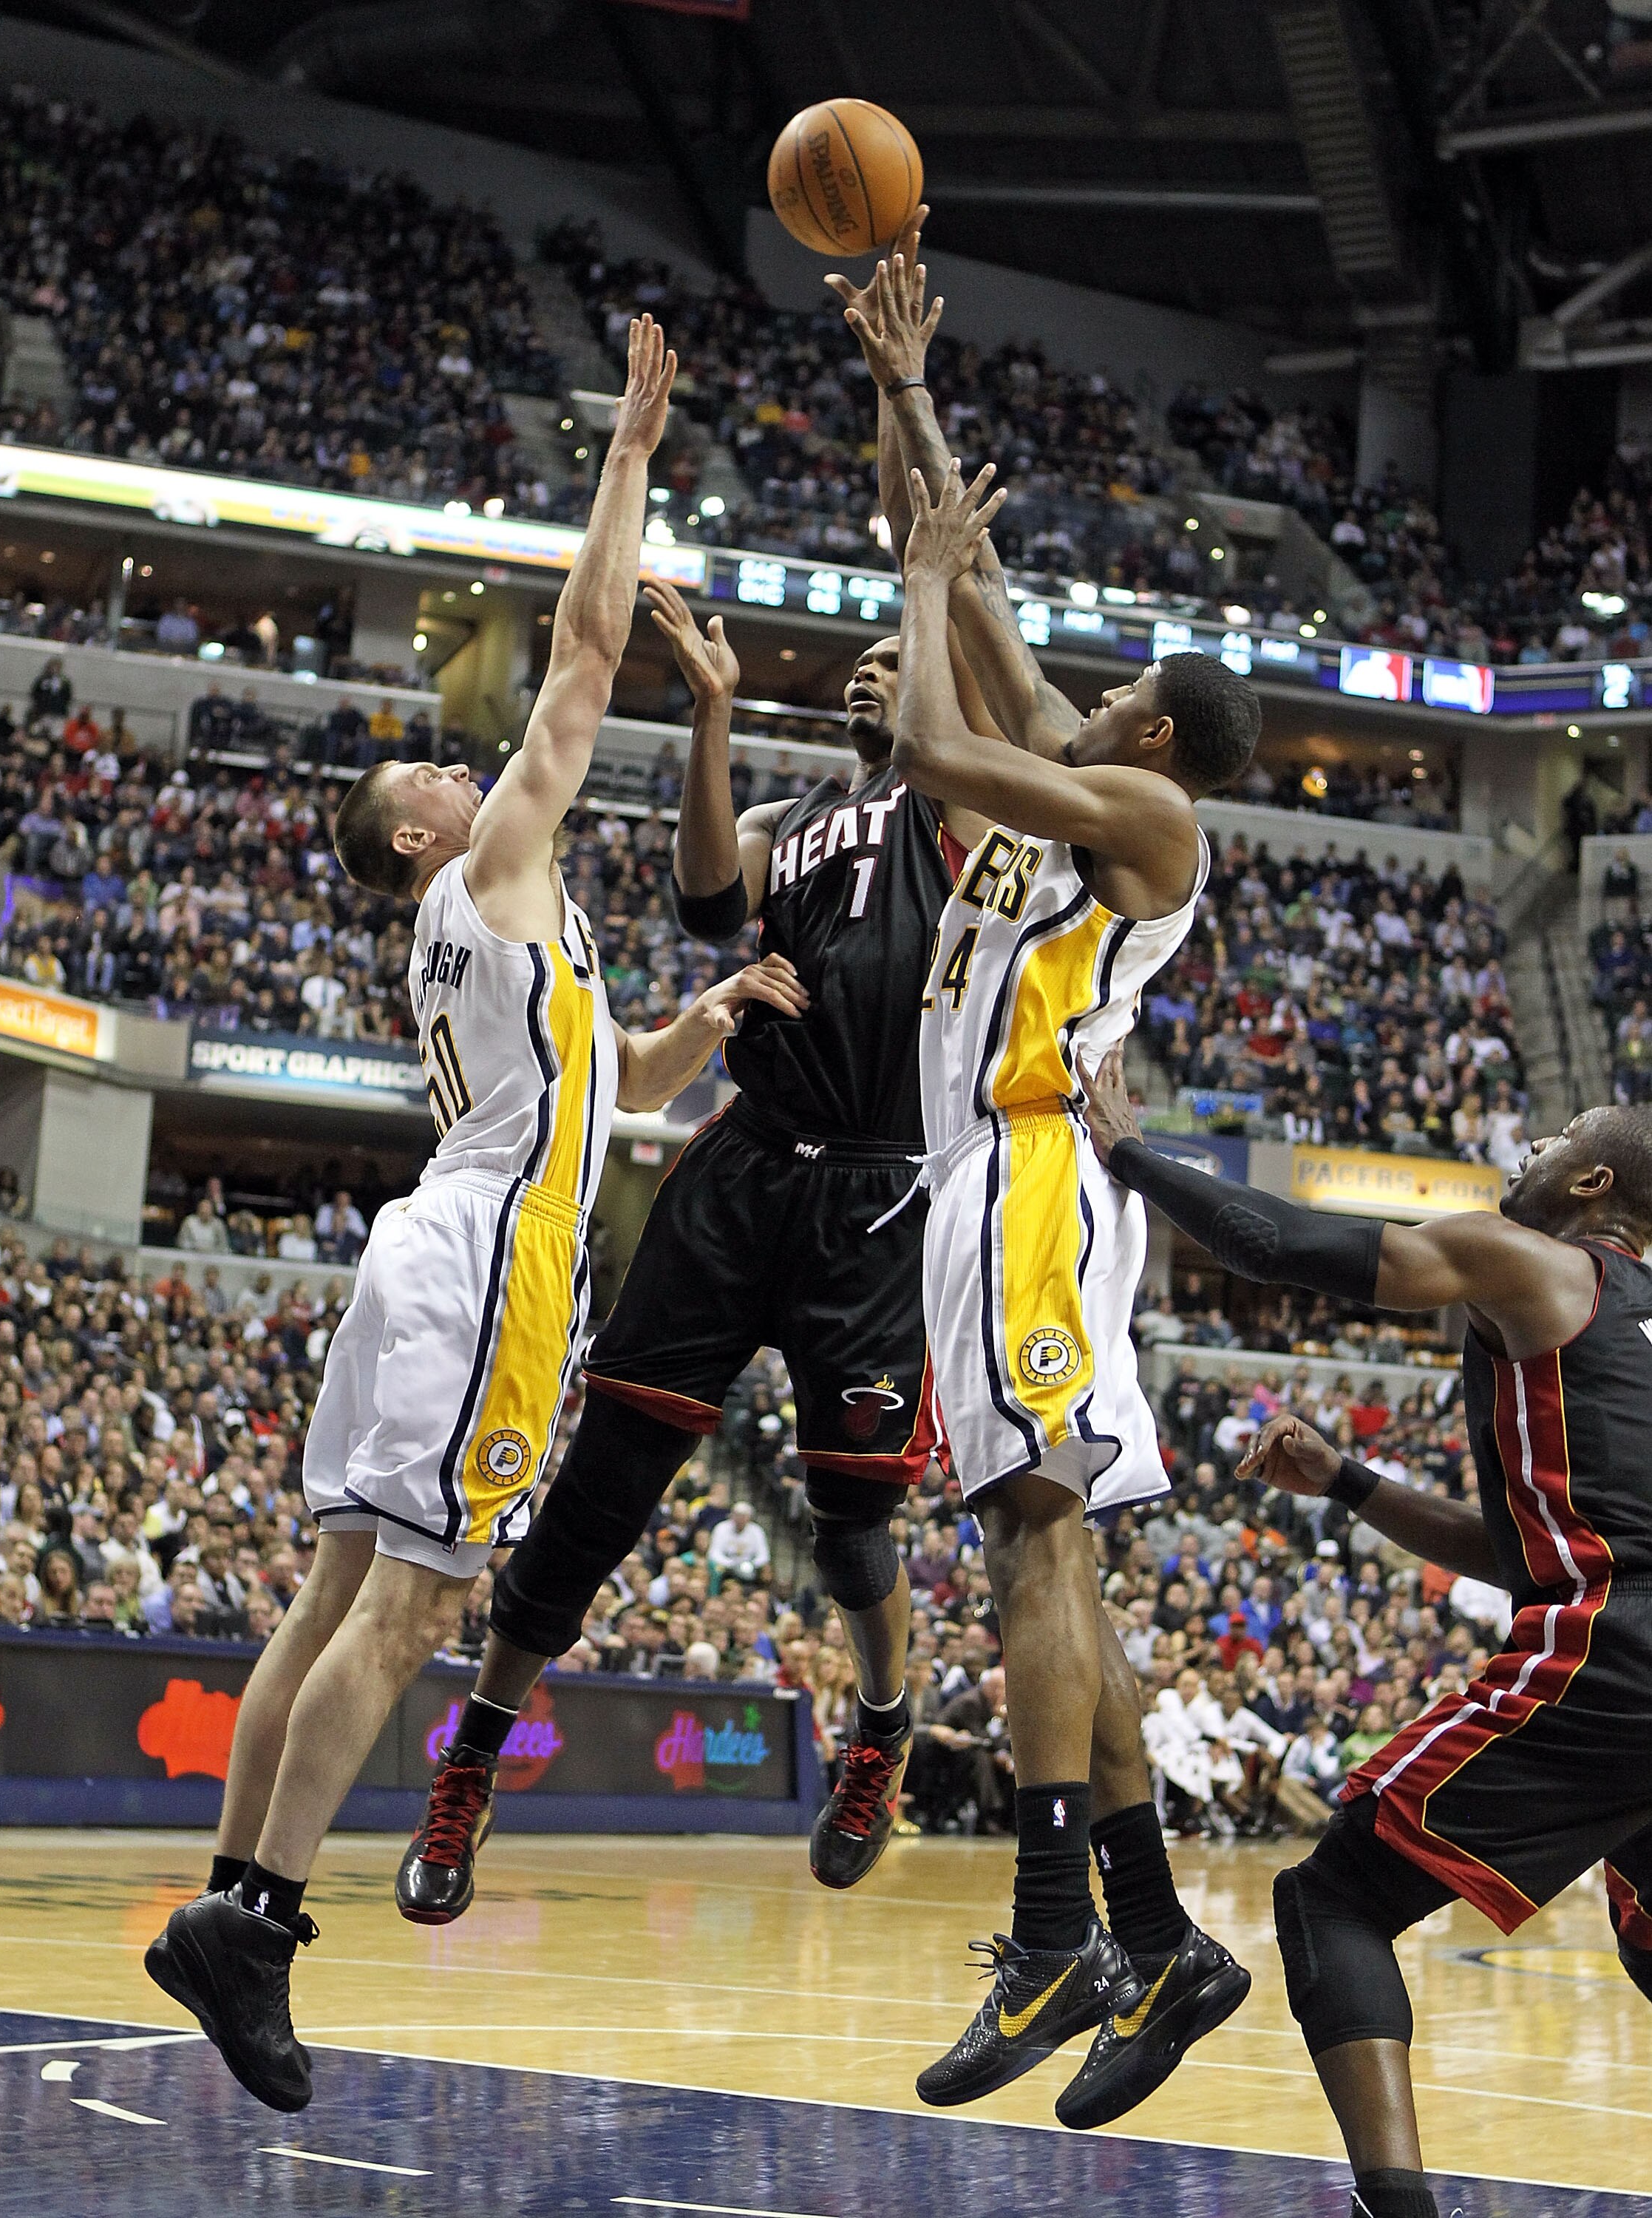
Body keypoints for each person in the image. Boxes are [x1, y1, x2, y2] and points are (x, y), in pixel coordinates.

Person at [143, 316, 804, 2116]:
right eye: (431, 781)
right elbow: (585, 654)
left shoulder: (516, 939)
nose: (460, 768)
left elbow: (631, 1096)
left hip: (452, 1232)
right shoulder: (492, 867)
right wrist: (629, 456)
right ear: (424, 842)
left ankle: (228, 1902)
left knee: (344, 1586)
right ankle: (260, 1920)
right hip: (493, 1256)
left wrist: (713, 1026)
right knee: (416, 1606)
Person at [391, 218, 994, 1930]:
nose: (877, 674)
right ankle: (469, 1770)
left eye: (896, 667)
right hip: (744, 1166)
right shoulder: (806, 816)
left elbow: (918, 575)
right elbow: (703, 900)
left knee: (858, 1530)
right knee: (595, 1496)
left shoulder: (958, 807)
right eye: (866, 672)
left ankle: (882, 1714)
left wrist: (903, 406)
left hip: (881, 1191)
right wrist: (717, 719)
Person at [849, 244, 1255, 2128]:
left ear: (1149, 741)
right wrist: (902, 382)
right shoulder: (1071, 776)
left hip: (1026, 1175)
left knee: (1030, 1542)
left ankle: (1044, 1931)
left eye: (1103, 705)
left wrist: (923, 592)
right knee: (1052, 1562)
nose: (1066, 704)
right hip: (975, 1184)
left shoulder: (1150, 820)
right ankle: (1156, 1935)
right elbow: (977, 600)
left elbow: (938, 726)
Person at [1081, 1056, 1652, 2218]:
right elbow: (1517, 1549)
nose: (1529, 1144)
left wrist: (1129, 1154)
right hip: (1621, 1635)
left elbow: (1283, 1244)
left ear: (1592, 1182)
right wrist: (1347, 1481)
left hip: (1618, 1655)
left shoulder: (1533, 1263)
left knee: (1330, 1901)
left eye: (1555, 1138)